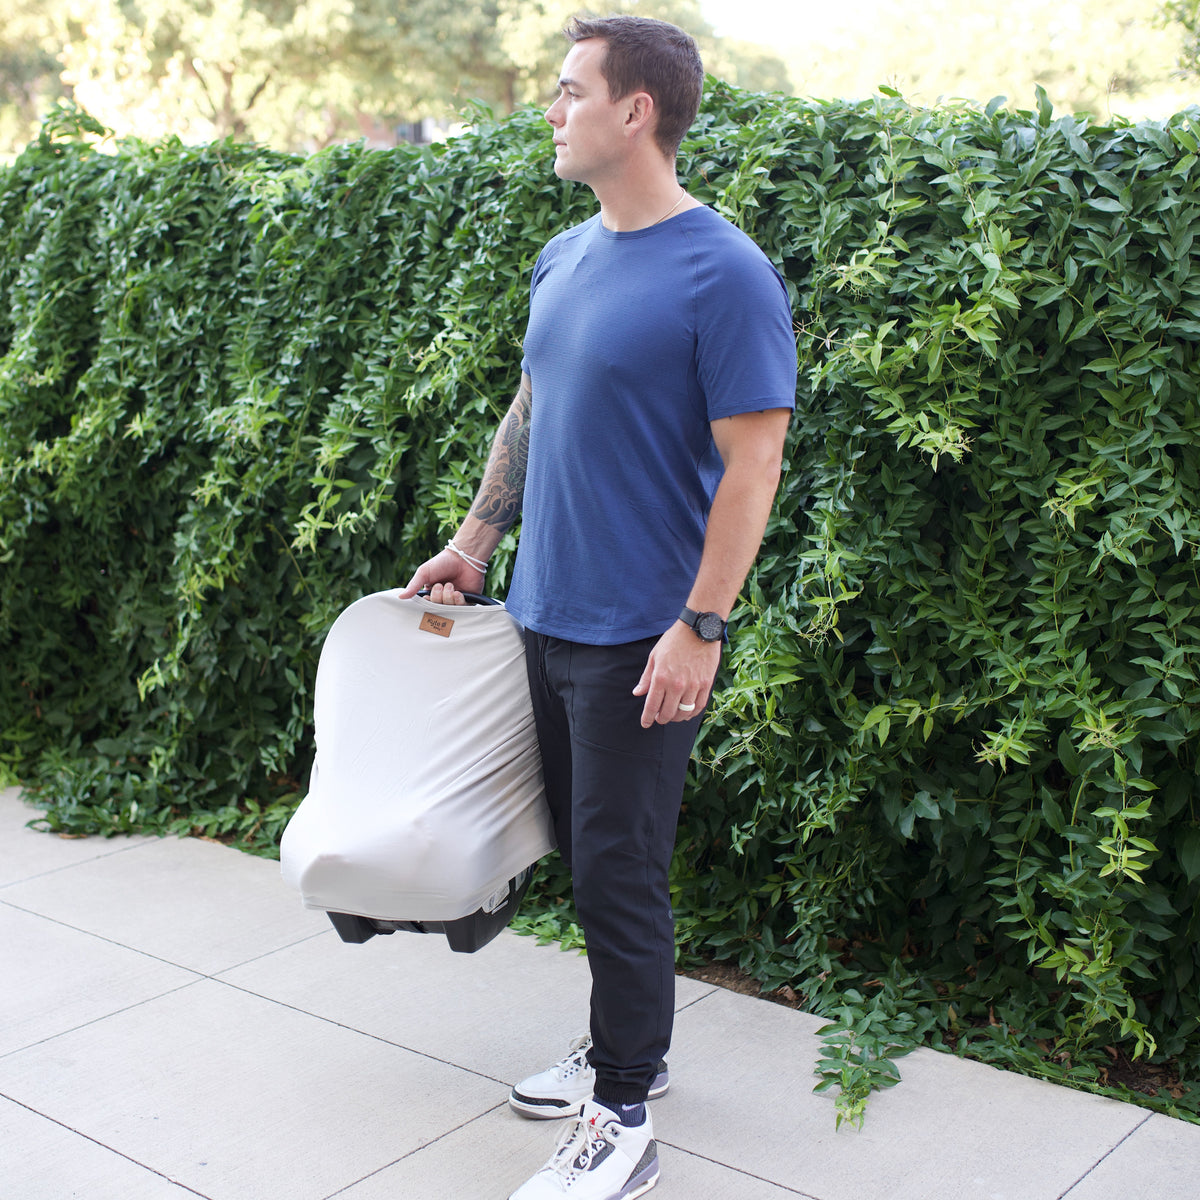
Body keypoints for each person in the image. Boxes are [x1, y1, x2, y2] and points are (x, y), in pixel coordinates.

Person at [400, 15, 797, 1200]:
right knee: (581, 852)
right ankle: (634, 1049)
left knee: (618, 868)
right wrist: (476, 542)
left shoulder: (723, 269)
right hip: (544, 612)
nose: (552, 108)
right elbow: (530, 409)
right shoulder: (565, 257)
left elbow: (754, 466)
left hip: (644, 630)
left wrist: (703, 625)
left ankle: (622, 1116)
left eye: (571, 91)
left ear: (638, 111)